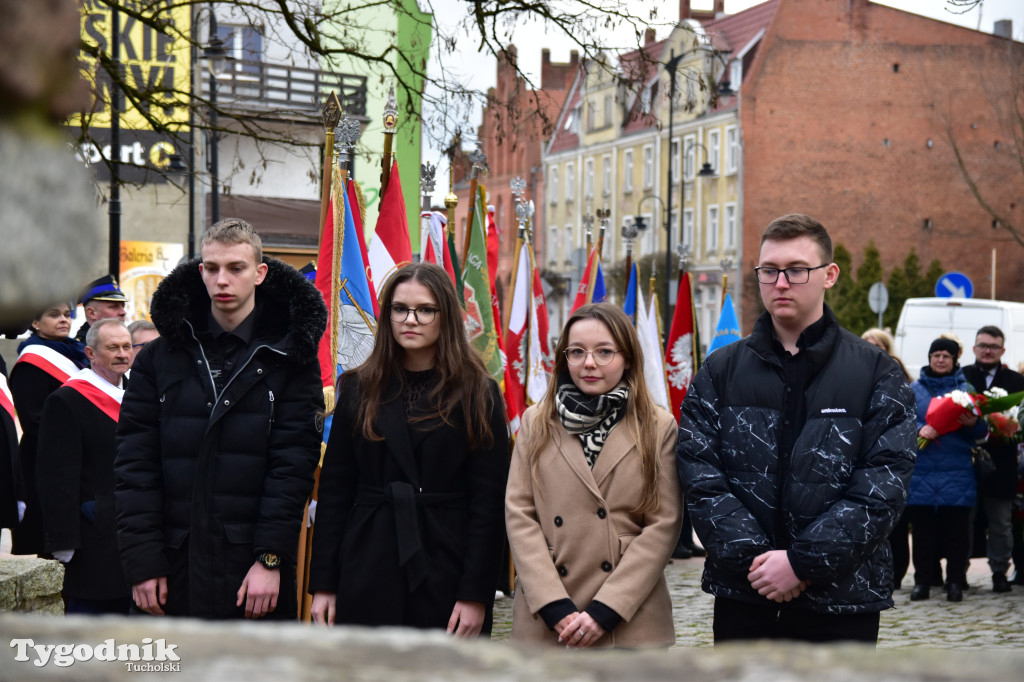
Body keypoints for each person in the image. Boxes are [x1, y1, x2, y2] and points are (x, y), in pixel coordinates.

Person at [677, 213, 916, 644]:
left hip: (841, 600)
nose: (781, 282)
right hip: (746, 596)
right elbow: (700, 476)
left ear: (829, 275)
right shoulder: (720, 370)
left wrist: (803, 564)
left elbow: (884, 483)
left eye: (796, 270)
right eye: (769, 271)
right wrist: (760, 564)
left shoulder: (877, 373)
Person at [115, 218, 327, 620]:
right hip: (172, 566)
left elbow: (292, 467)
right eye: (212, 268)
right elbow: (134, 465)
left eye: (236, 268)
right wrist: (142, 561)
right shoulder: (159, 358)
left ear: (260, 273)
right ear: (201, 272)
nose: (222, 280)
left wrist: (271, 559)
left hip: (251, 571)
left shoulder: (291, 359)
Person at [308, 263, 508, 636]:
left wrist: (476, 593)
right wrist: (325, 584)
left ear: (445, 315)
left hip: (447, 562)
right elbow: (335, 494)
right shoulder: (357, 387)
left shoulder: (478, 393)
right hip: (368, 559)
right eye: (399, 309)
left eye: (425, 310)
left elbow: (490, 505)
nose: (410, 320)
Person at [506, 303, 681, 649]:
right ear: (563, 357)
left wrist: (607, 609)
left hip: (630, 617)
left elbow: (663, 524)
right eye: (577, 352)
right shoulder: (536, 422)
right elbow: (519, 514)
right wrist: (553, 604)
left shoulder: (658, 426)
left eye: (604, 352)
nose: (589, 363)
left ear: (628, 357)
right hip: (548, 616)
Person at [36, 319, 132, 614]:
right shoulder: (67, 400)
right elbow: (56, 477)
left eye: (127, 346)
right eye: (112, 348)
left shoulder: (139, 394)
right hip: (94, 540)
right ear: (90, 353)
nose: (122, 354)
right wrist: (63, 541)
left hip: (136, 535)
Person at [906, 337, 988, 602]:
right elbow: (900, 423)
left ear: (955, 360)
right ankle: (922, 582)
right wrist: (920, 429)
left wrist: (972, 422)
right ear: (929, 358)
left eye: (946, 356)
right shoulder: (914, 389)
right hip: (923, 471)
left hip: (957, 471)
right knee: (922, 533)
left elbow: (982, 432)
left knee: (957, 534)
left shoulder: (965, 391)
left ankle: (954, 582)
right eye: (936, 355)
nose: (940, 360)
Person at [9, 301, 90, 555]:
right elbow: (33, 420)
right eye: (54, 315)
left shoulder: (78, 352)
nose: (63, 320)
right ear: (35, 323)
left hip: (79, 456)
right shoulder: (31, 361)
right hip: (44, 458)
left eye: (67, 315)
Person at [962, 326, 1024, 593]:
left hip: (1002, 462)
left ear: (1003, 350)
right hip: (967, 462)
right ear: (974, 348)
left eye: (993, 346)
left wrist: (1010, 427)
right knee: (965, 521)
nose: (988, 350)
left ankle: (999, 571)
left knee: (1001, 523)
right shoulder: (961, 376)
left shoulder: (1016, 381)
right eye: (983, 345)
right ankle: (958, 571)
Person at [861, 327, 914, 589]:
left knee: (895, 522)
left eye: (877, 346)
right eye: (867, 345)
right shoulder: (852, 375)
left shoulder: (898, 376)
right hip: (861, 459)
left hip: (891, 456)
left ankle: (897, 573)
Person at [74, 275, 127, 344]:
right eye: (114, 307)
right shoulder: (77, 350)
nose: (123, 312)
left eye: (123, 306)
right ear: (91, 313)